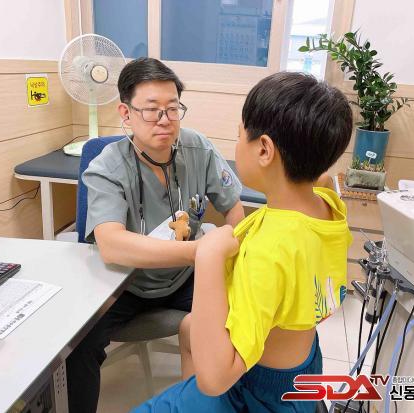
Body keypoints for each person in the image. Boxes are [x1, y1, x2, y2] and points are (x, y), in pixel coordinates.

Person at [131, 71, 353, 412]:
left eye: (239, 136)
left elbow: (215, 379)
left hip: (254, 392)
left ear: (264, 149)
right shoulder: (328, 205)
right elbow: (322, 178)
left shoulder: (267, 250)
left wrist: (208, 255)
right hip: (303, 365)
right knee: (190, 328)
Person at [66, 57, 245, 413]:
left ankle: (216, 404)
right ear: (126, 113)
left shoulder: (198, 149)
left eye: (173, 109)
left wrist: (227, 256)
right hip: (125, 283)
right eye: (151, 110)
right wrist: (200, 251)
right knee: (77, 343)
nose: (164, 120)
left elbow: (234, 210)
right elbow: (111, 244)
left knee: (243, 317)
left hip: (184, 278)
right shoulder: (106, 166)